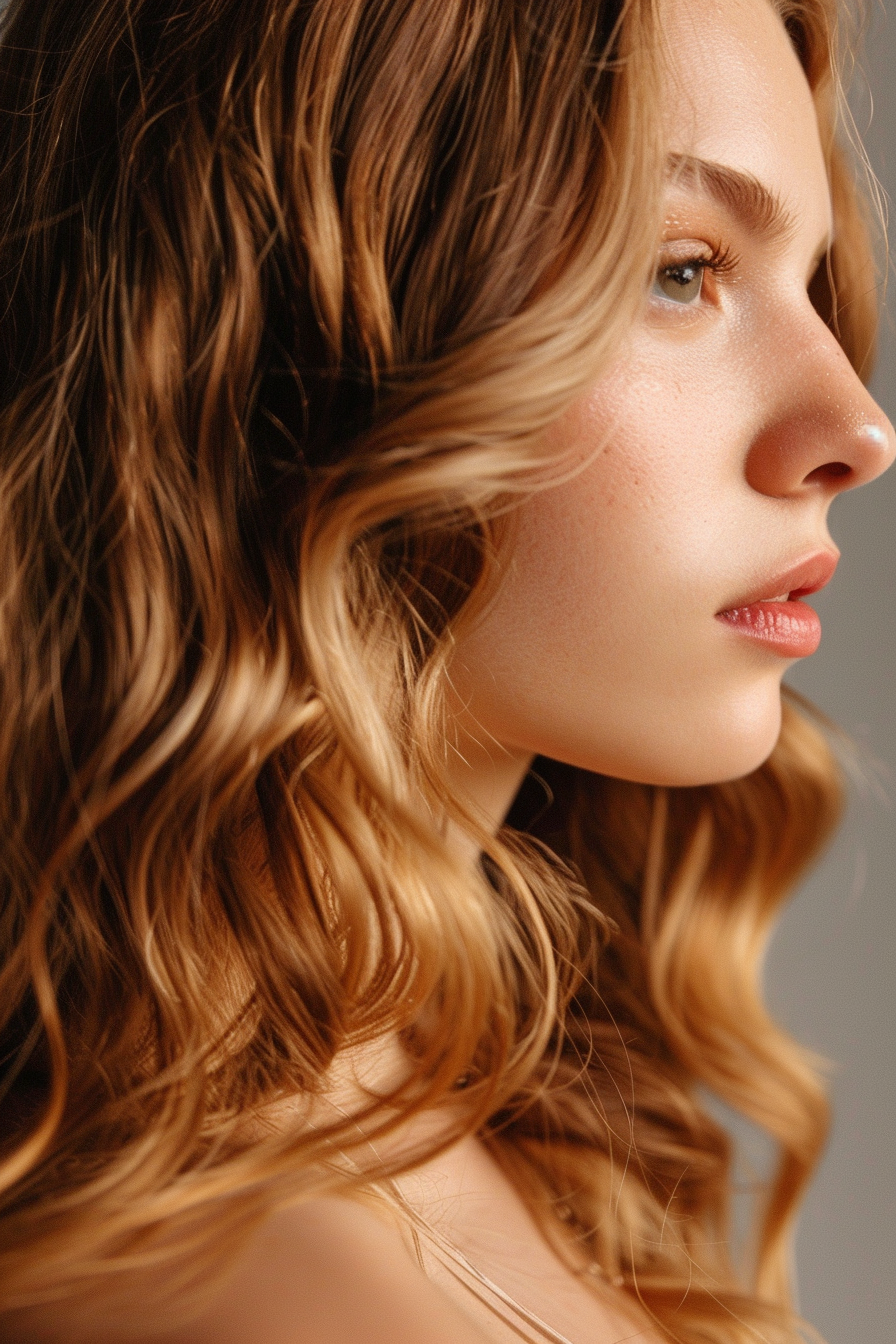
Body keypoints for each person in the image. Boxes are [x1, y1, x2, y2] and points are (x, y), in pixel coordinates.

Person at [0, 0, 891, 1340]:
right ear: (286, 336)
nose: (853, 427)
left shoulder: (513, 1142)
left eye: (810, 282)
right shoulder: (249, 1299)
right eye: (683, 270)